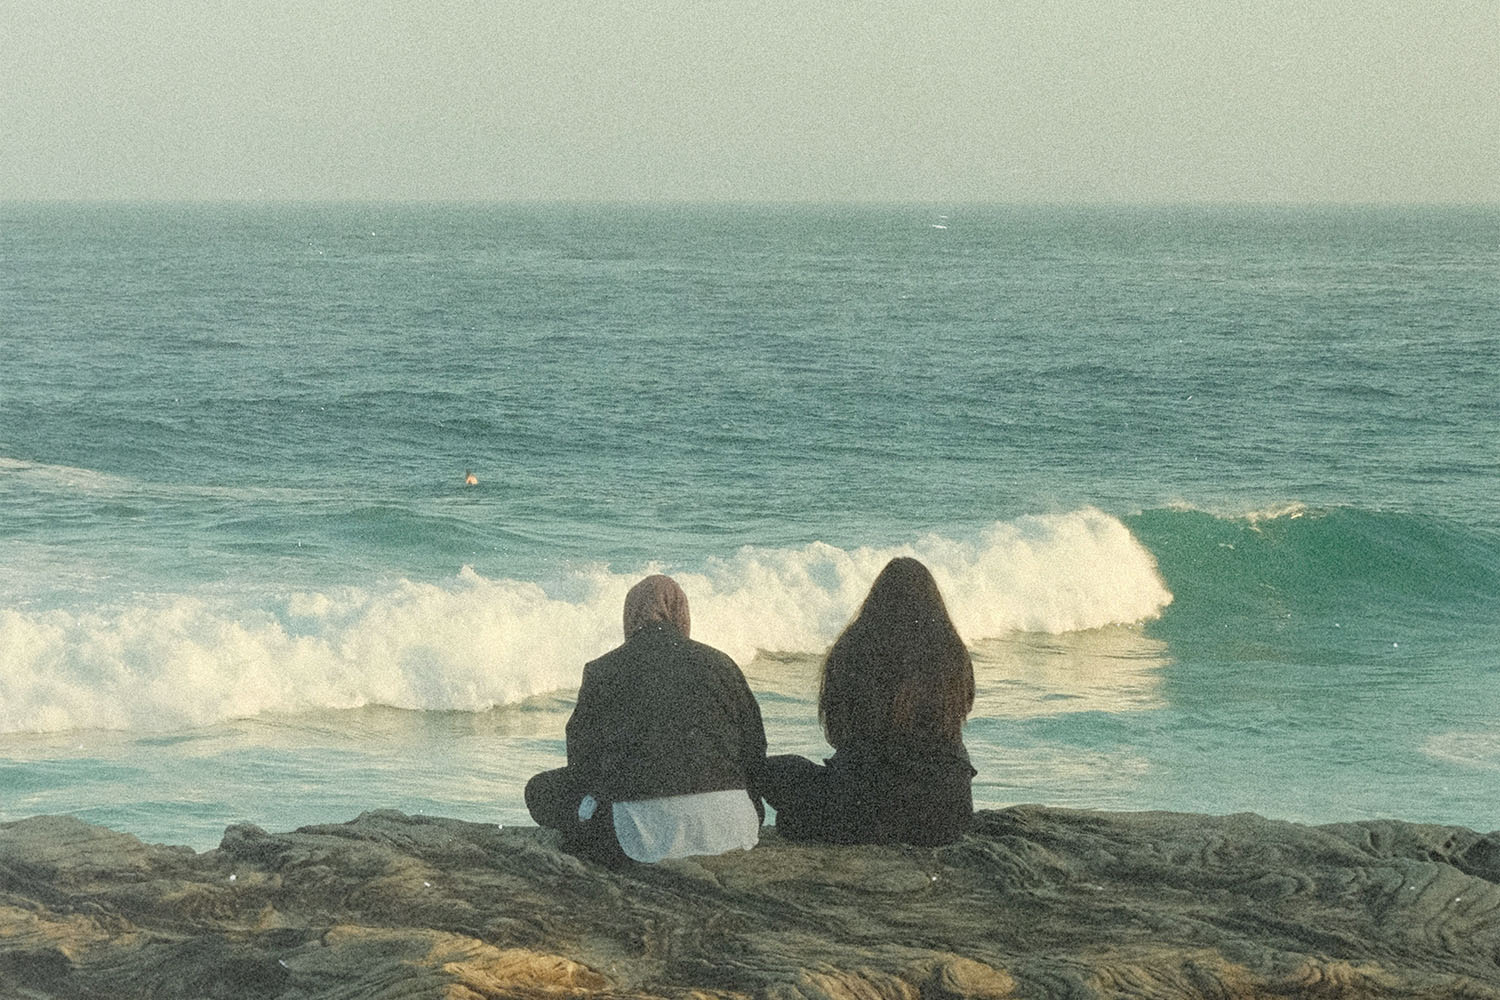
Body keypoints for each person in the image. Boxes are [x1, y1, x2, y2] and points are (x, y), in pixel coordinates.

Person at [525, 574, 767, 865]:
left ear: (630, 615)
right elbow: (754, 750)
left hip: (639, 837)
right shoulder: (722, 663)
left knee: (540, 790)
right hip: (733, 827)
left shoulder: (602, 669)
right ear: (681, 613)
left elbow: (582, 763)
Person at [758, 557, 976, 846]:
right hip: (947, 810)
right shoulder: (952, 653)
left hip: (866, 802)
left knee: (776, 772)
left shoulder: (852, 648)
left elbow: (838, 735)